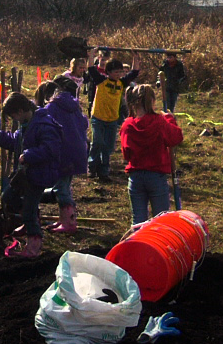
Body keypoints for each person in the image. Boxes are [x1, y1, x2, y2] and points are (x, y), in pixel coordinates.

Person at [0, 92, 62, 259]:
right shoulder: (25, 125)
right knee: (9, 196)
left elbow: (50, 149)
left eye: (14, 115)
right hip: (27, 173)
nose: (14, 119)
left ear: (21, 110)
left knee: (29, 209)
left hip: (40, 174)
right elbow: (15, 141)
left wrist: (29, 155)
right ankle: (30, 220)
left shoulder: (43, 124)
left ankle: (34, 244)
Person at [120, 83, 184, 225]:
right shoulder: (159, 122)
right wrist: (170, 119)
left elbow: (126, 154)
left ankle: (138, 245)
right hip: (156, 175)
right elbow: (176, 138)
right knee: (160, 220)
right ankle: (157, 245)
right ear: (152, 101)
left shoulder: (127, 125)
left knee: (138, 220)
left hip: (135, 177)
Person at [43, 75, 90, 234]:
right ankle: (64, 219)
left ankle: (69, 222)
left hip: (63, 152)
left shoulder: (52, 107)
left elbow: (46, 126)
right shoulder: (75, 107)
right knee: (65, 185)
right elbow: (84, 124)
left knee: (61, 188)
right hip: (77, 151)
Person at [86, 53, 141, 181]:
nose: (118, 74)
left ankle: (104, 171)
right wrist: (90, 56)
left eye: (120, 72)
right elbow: (91, 69)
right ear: (109, 72)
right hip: (98, 118)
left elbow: (134, 72)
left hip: (112, 120)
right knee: (98, 142)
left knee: (108, 147)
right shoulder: (102, 81)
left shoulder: (121, 83)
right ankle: (92, 166)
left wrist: (136, 57)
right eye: (116, 72)